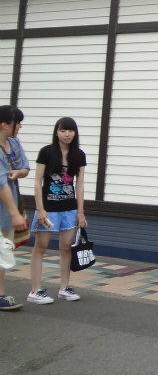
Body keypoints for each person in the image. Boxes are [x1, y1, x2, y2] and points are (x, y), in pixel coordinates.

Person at [28, 117, 87, 304]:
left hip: (69, 209)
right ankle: (35, 290)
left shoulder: (79, 155)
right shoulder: (46, 152)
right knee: (41, 247)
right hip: (49, 208)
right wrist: (40, 209)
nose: (67, 134)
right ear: (56, 132)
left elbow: (80, 185)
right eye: (63, 130)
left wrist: (80, 212)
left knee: (66, 248)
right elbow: (37, 182)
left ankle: (64, 288)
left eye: (70, 130)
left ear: (75, 133)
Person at [0, 106, 30, 311]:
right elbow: (0, 182)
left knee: (3, 252)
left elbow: (26, 167)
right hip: (7, 208)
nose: (19, 126)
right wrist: (14, 213)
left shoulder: (14, 143)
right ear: (4, 124)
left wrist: (18, 173)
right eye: (16, 123)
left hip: (7, 210)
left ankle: (0, 294)